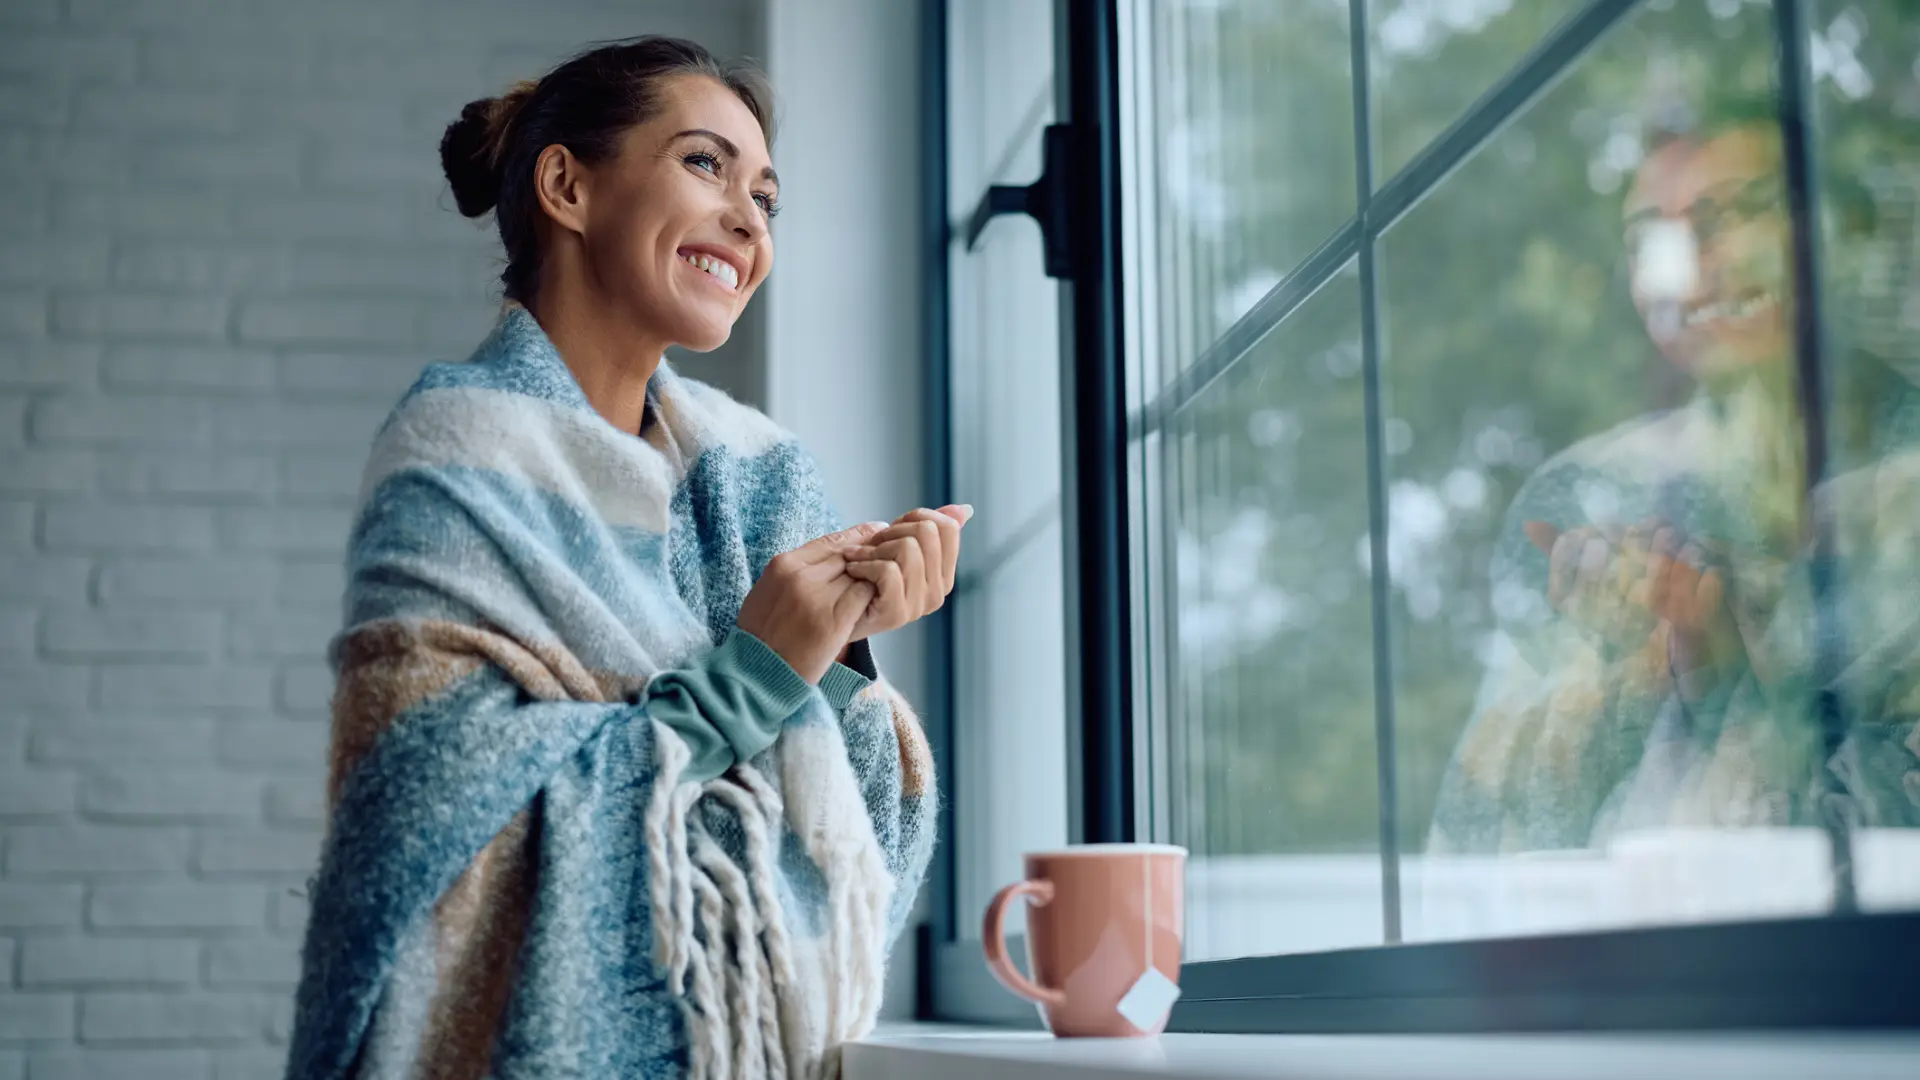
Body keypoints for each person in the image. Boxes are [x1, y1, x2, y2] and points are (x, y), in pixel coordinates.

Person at [284, 37, 958, 1080]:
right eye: (706, 164)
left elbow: (853, 844)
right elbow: (419, 833)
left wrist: (846, 648)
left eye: (767, 196)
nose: (749, 217)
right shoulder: (460, 458)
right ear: (567, 185)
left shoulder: (763, 478)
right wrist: (754, 675)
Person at [1429, 97, 1920, 856]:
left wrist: (1725, 686)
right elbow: (1481, 838)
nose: (1687, 263)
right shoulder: (1589, 494)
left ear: (1835, 233)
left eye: (1737, 212)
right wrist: (1620, 681)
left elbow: (1884, 848)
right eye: (1648, 241)